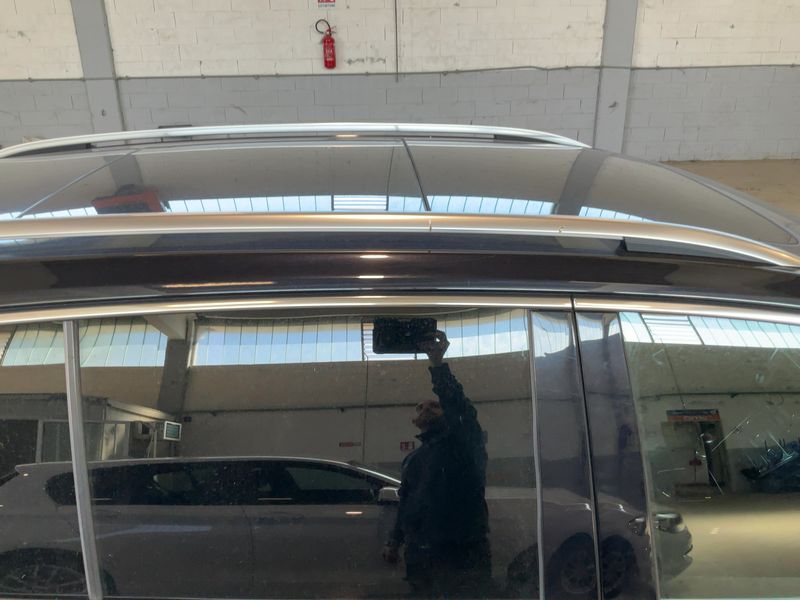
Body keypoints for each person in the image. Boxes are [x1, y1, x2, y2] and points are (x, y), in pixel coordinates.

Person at [382, 330, 492, 598]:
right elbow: (407, 501)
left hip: (461, 552)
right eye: (420, 407)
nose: (426, 409)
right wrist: (394, 541)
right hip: (422, 555)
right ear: (414, 421)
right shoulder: (413, 459)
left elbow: (461, 410)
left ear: (447, 414)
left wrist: (438, 365)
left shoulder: (464, 445)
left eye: (435, 406)